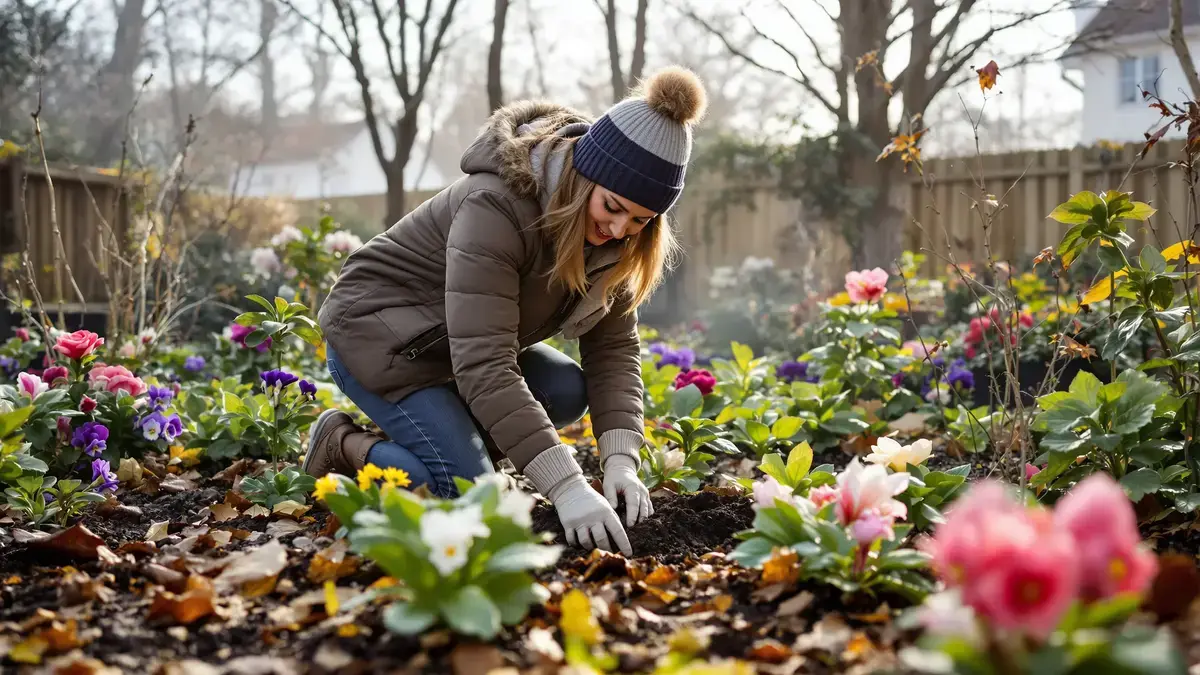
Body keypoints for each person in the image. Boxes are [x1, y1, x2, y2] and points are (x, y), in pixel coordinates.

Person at [304, 66, 707, 557]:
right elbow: (485, 363)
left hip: (450, 348)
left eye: (641, 220)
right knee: (465, 498)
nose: (620, 229)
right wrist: (566, 487)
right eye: (613, 206)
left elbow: (614, 349)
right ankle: (341, 443)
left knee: (564, 387)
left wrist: (621, 461)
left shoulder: (617, 242)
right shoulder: (496, 207)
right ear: (586, 176)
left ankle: (447, 444)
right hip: (378, 342)